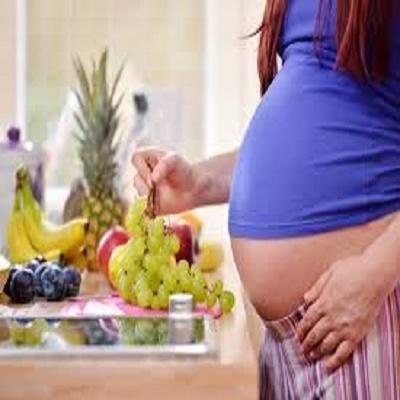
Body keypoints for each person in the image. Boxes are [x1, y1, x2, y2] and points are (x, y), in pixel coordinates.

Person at [133, 0, 400, 398]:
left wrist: (374, 276)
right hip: (290, 342)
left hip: (357, 317)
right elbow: (322, 134)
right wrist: (199, 183)